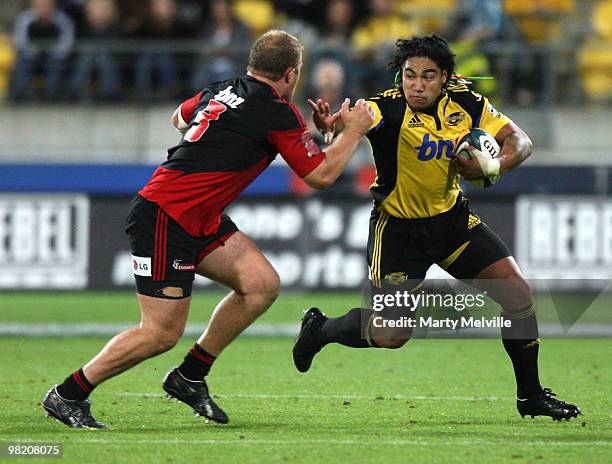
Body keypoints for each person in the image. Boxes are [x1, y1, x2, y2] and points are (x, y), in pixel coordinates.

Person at [42, 29, 375, 428]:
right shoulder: (274, 110)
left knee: (260, 283)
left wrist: (314, 136)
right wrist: (353, 131)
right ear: (291, 73)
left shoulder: (221, 89)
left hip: (198, 216)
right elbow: (320, 175)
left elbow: (179, 118)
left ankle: (190, 376)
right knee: (160, 333)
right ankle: (68, 394)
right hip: (167, 215)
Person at [294, 33, 582, 421]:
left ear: (445, 77)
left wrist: (496, 164)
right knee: (392, 335)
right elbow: (355, 122)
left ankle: (530, 396)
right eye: (409, 75)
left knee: (517, 294)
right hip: (397, 232)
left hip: (452, 223)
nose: (416, 85)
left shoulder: (466, 102)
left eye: (428, 76)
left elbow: (521, 141)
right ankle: (320, 330)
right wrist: (336, 127)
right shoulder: (385, 108)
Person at [10, 0, 75, 101]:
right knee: (22, 61)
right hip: (30, 55)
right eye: (41, 5)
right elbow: (20, 42)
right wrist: (34, 51)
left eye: (47, 4)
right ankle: (21, 95)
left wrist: (51, 52)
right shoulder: (24, 19)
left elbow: (66, 43)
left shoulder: (63, 20)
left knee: (56, 63)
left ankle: (52, 95)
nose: (44, 8)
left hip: (54, 56)